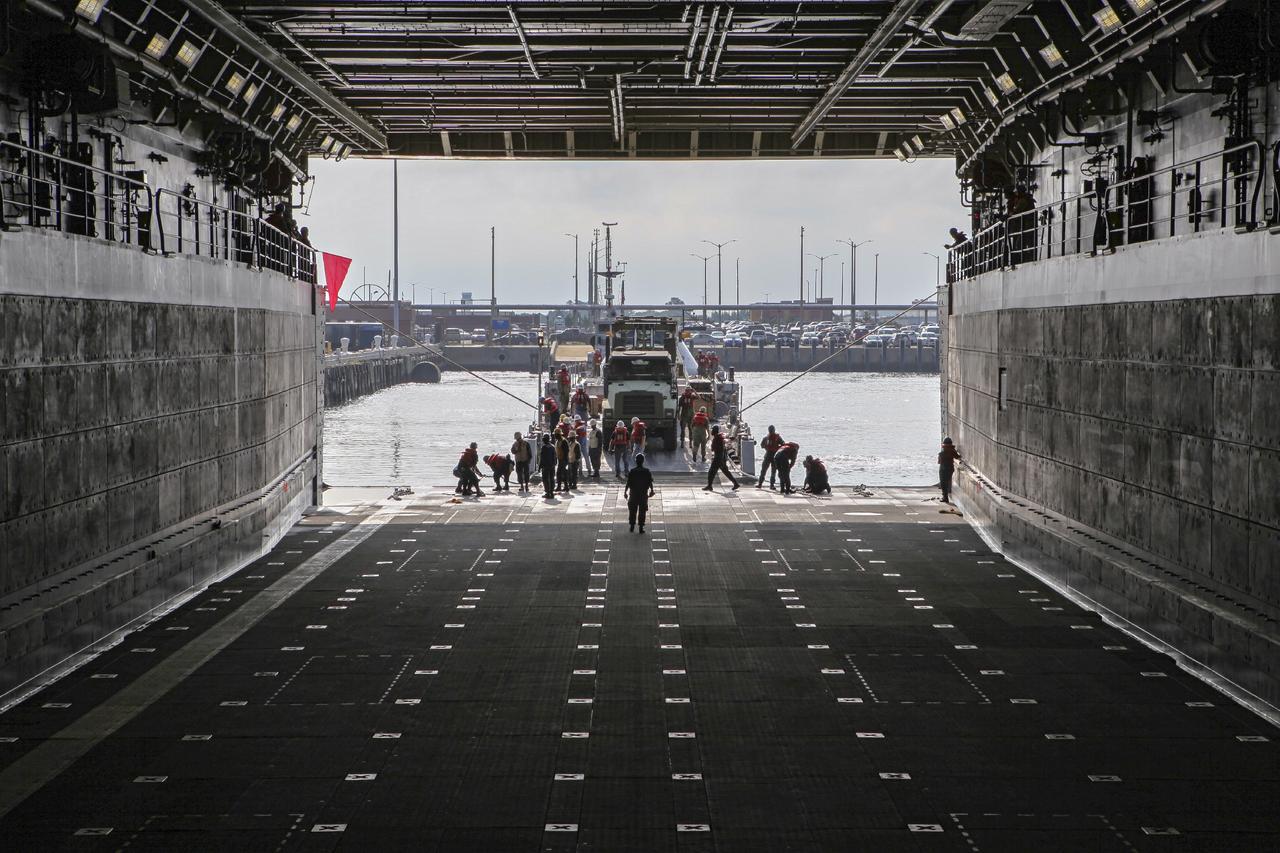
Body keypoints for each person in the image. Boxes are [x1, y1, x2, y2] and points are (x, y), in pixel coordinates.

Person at [702, 424, 739, 491]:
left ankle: (709, 486)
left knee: (711, 472)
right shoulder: (719, 437)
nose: (711, 431)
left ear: (715, 431)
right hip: (721, 457)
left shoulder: (717, 438)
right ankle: (735, 483)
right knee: (725, 471)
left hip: (718, 457)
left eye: (713, 430)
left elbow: (716, 447)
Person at [624, 453, 656, 534]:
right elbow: (650, 482)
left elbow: (628, 482)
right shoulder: (647, 471)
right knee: (642, 511)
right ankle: (641, 527)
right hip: (643, 494)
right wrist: (652, 490)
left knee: (632, 510)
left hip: (633, 494)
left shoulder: (632, 471)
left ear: (636, 461)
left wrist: (625, 492)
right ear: (643, 461)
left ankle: (632, 525)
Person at [758, 425, 784, 489]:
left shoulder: (770, 437)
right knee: (768, 470)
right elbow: (783, 444)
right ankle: (763, 484)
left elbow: (762, 445)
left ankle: (766, 484)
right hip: (771, 455)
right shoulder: (769, 438)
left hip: (771, 455)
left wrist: (767, 447)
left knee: (769, 470)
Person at [938, 436, 961, 503]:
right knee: (947, 482)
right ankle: (945, 497)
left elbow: (939, 462)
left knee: (943, 483)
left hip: (943, 469)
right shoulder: (952, 451)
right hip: (950, 468)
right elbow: (957, 457)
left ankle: (945, 497)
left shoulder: (942, 453)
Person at [539, 434, 557, 498]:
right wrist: (554, 464)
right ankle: (551, 492)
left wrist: (539, 467)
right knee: (552, 479)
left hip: (545, 466)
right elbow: (555, 457)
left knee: (545, 479)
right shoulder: (552, 447)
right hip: (552, 466)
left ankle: (548, 492)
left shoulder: (544, 447)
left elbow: (542, 458)